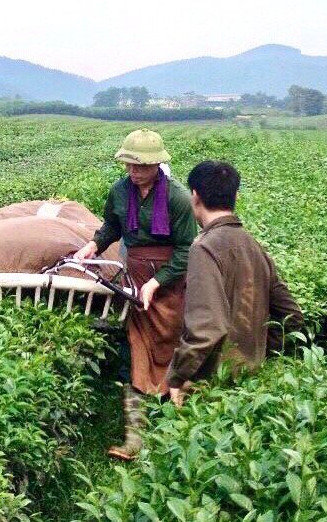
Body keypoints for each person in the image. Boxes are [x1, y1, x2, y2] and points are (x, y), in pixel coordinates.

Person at [74, 129, 197, 460]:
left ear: (156, 164)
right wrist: (93, 244)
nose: (133, 172)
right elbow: (111, 228)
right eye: (129, 165)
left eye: (140, 166)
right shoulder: (119, 191)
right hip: (136, 274)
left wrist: (160, 282)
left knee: (171, 346)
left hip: (170, 280)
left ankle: (180, 429)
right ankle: (135, 437)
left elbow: (187, 248)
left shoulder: (177, 198)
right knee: (137, 348)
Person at [165, 160, 304, 406]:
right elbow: (291, 316)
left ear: (194, 196)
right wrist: (256, 352)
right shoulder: (253, 246)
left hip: (211, 384)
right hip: (252, 383)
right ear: (235, 195)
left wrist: (178, 376)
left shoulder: (204, 247)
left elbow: (207, 328)